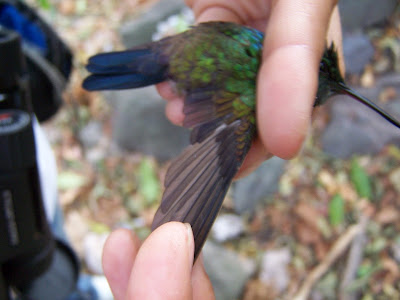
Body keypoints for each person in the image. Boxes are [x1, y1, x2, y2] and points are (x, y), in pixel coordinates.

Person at [103, 1, 344, 299]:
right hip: (186, 57)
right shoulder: (247, 96)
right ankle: (175, 239)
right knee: (232, 143)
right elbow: (219, 154)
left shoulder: (265, 43)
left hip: (198, 44)